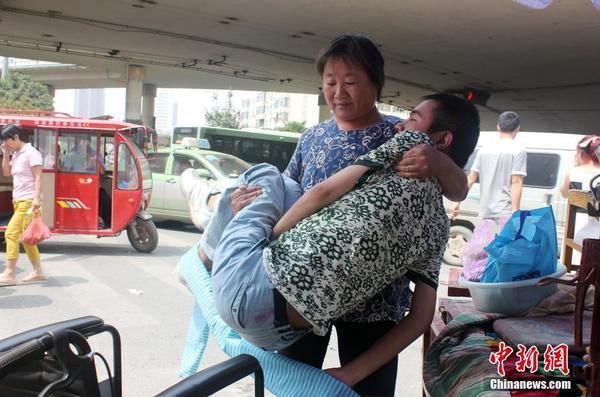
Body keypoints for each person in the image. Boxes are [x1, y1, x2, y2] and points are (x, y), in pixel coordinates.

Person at [223, 34, 471, 397]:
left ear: (376, 84)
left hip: (377, 305)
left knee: (368, 390)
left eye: (351, 82)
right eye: (330, 82)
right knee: (293, 388)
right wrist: (249, 209)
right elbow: (290, 190)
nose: (338, 92)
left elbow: (457, 188)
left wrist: (440, 162)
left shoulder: (399, 133)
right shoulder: (312, 137)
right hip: (303, 289)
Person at [451, 111, 527, 222]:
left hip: (485, 212)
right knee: (503, 240)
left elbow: (471, 178)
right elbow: (516, 182)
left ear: (498, 127)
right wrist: (515, 212)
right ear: (518, 129)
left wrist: (457, 201)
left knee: (488, 239)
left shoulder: (484, 149)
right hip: (505, 212)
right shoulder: (519, 150)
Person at [0, 124, 46, 286]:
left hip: (28, 201)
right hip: (18, 200)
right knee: (27, 240)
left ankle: (10, 273)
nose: (6, 144)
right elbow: (7, 173)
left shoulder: (31, 153)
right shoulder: (17, 154)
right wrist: (6, 154)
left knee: (11, 234)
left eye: (7, 141)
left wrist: (36, 200)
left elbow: (39, 177)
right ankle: (38, 271)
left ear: (16, 137)